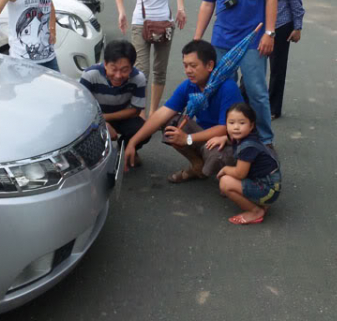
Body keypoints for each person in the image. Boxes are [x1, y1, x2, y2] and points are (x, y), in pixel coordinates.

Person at [194, 0, 277, 146]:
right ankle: (230, 135)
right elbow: (207, 4)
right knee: (224, 90)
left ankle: (265, 138)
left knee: (256, 91)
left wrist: (269, 33)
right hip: (222, 41)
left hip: (253, 40)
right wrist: (197, 37)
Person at [123, 40, 244, 182]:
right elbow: (162, 114)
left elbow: (225, 129)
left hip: (227, 140)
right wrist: (132, 142)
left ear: (210, 65)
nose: (188, 70)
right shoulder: (189, 85)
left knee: (217, 156)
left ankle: (230, 175)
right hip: (203, 135)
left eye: (193, 65)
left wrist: (188, 138)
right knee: (171, 124)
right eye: (185, 65)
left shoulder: (228, 87)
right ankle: (197, 165)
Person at [115, 0, 186, 117]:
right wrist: (122, 13)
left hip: (165, 24)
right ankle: (141, 113)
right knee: (141, 71)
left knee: (159, 70)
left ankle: (154, 113)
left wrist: (181, 8)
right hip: (140, 23)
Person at [257, 0, 304, 119]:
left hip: (281, 24)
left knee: (277, 69)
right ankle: (248, 105)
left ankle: (273, 108)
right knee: (252, 66)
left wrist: (298, 26)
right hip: (257, 25)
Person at [79, 40, 148, 166]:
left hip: (122, 116)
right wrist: (102, 122)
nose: (118, 75)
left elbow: (135, 110)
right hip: (94, 117)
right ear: (105, 64)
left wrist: (105, 119)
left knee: (145, 130)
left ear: (132, 67)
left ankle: (124, 151)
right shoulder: (89, 75)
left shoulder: (139, 78)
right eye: (114, 69)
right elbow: (81, 107)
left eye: (124, 70)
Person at [211, 102, 281, 225]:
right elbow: (231, 138)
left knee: (225, 182)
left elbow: (240, 174)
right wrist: (222, 138)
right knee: (229, 173)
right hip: (266, 182)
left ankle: (255, 211)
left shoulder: (247, 146)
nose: (236, 127)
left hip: (268, 189)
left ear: (251, 125)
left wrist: (226, 169)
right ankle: (259, 201)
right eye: (231, 123)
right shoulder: (243, 137)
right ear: (226, 124)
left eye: (242, 123)